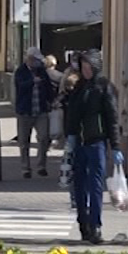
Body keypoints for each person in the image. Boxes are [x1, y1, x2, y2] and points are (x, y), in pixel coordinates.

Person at [65, 49, 123, 244]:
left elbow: (112, 118)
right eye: (83, 67)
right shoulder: (78, 87)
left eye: (89, 67)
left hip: (97, 142)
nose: (86, 71)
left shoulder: (104, 87)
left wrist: (115, 146)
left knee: (95, 185)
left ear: (96, 67)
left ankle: (95, 226)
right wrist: (70, 137)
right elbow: (71, 115)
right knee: (79, 186)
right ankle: (83, 225)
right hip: (80, 144)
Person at [15, 46, 55, 178]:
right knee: (23, 141)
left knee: (44, 137)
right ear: (29, 59)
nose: (37, 63)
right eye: (35, 60)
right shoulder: (20, 71)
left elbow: (48, 87)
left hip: (41, 110)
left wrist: (52, 100)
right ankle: (25, 168)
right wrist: (32, 82)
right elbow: (19, 87)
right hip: (25, 111)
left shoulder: (42, 71)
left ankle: (41, 166)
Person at [57, 69, 81, 208]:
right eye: (68, 86)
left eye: (72, 86)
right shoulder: (67, 97)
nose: (70, 89)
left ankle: (75, 197)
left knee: (73, 167)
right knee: (72, 167)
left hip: (74, 135)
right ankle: (74, 197)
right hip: (71, 135)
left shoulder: (74, 98)